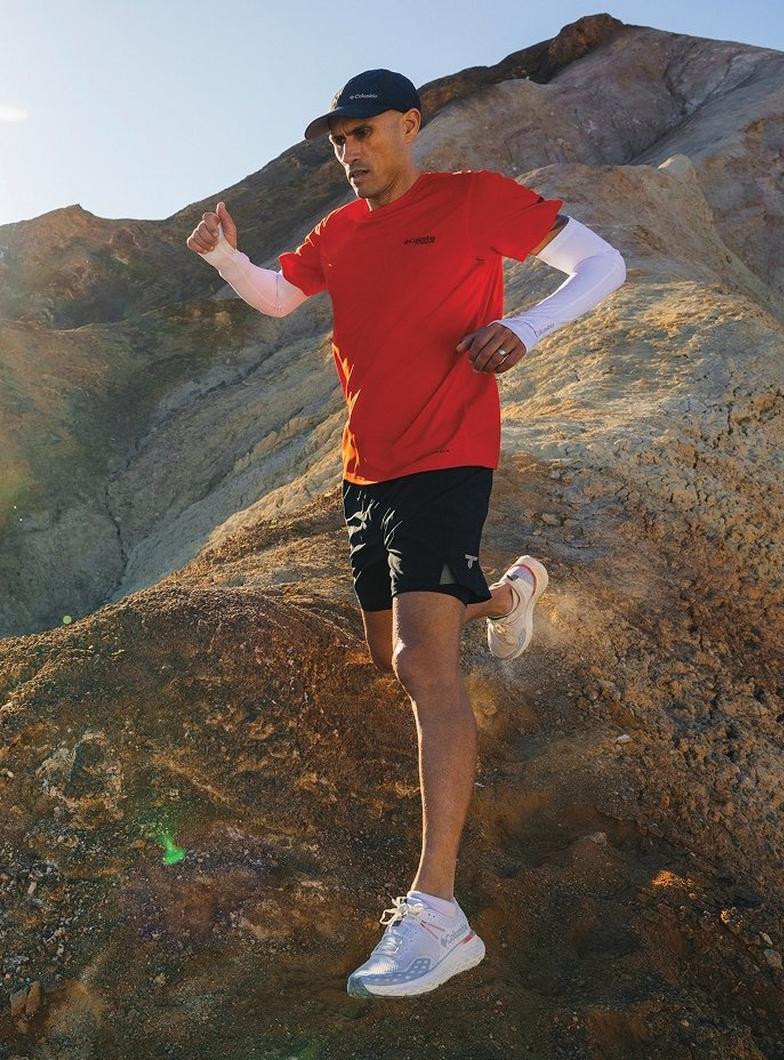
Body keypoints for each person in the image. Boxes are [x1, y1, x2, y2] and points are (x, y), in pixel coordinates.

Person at [187, 68, 626, 999]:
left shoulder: (476, 202)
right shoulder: (338, 230)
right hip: (366, 467)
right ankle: (509, 594)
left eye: (364, 132)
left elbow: (602, 264)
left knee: (427, 669)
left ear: (410, 125)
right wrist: (225, 256)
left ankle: (438, 913)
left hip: (448, 454)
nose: (349, 151)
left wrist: (528, 327)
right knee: (389, 654)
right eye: (338, 140)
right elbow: (277, 297)